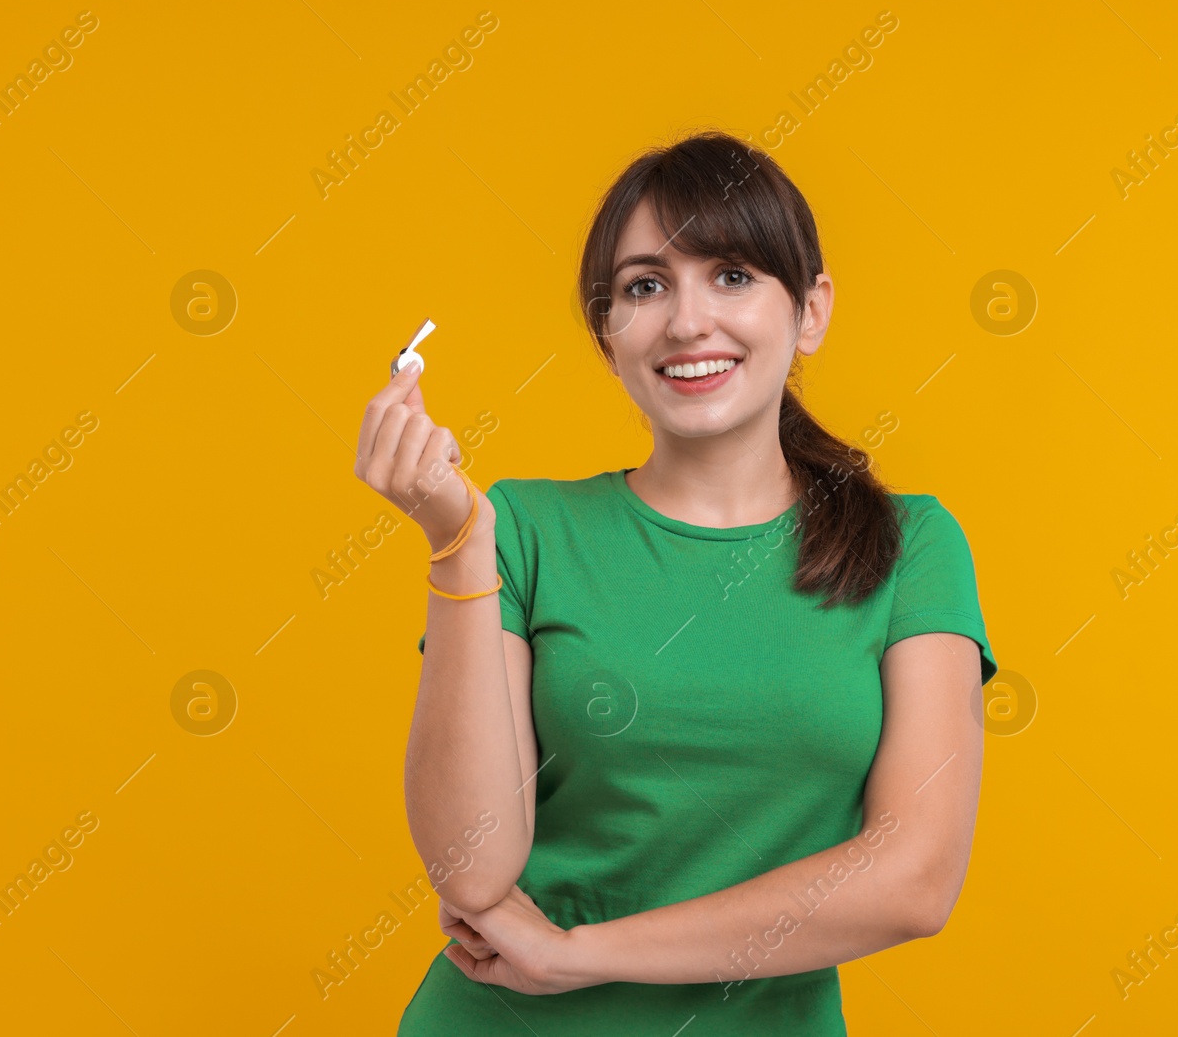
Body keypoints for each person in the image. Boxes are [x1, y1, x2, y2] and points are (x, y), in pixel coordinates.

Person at [353, 129, 998, 1036]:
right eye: (645, 287)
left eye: (732, 274)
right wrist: (455, 545)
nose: (688, 322)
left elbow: (912, 880)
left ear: (810, 309)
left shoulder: (910, 546)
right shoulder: (519, 530)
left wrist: (579, 955)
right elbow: (472, 868)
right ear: (608, 335)